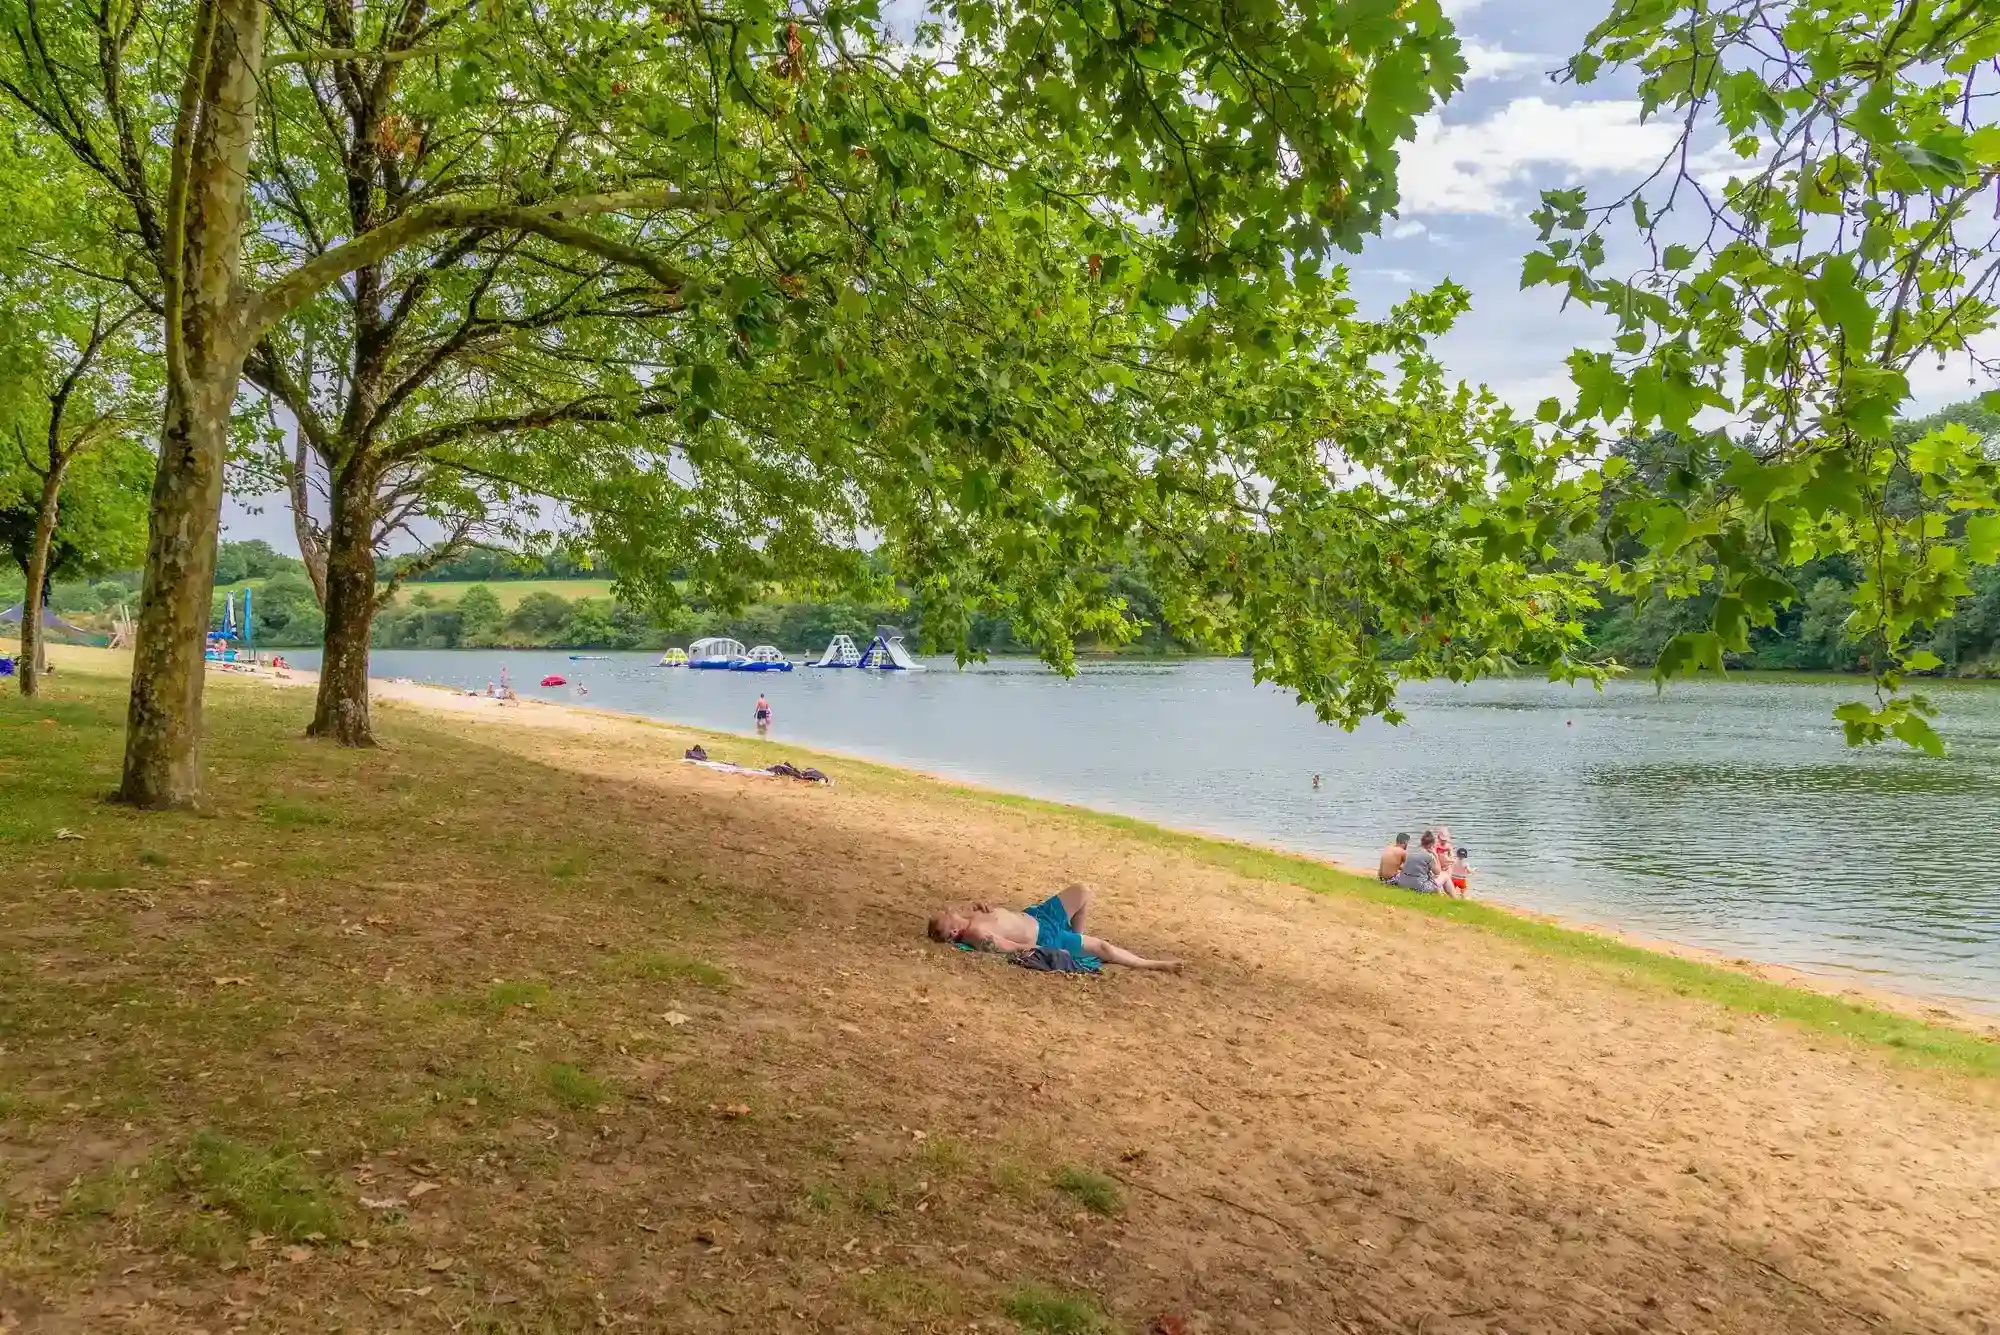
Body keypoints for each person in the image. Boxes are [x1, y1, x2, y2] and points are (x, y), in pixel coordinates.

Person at [927, 883, 1181, 971]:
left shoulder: (972, 915)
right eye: (947, 915)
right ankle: (1151, 964)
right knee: (1102, 948)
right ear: (952, 932)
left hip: (1038, 915)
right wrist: (1051, 951)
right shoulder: (976, 934)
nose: (949, 910)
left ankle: (1076, 935)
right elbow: (1013, 947)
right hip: (1046, 936)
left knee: (1082, 891)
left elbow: (999, 918)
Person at [1389, 830, 1445, 894]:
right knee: (1445, 876)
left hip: (1404, 883)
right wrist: (1436, 856)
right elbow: (1437, 872)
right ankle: (1454, 898)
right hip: (1418, 886)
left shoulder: (1411, 852)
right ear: (1431, 844)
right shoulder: (1428, 856)